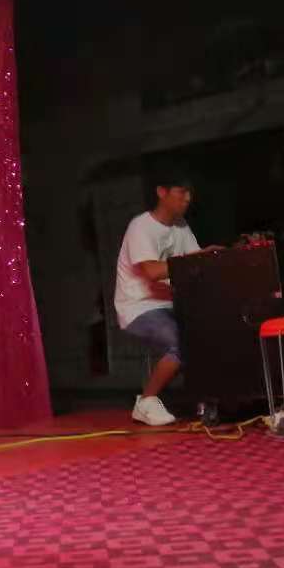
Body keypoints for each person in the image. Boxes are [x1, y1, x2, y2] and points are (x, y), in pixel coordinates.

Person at [114, 169, 220, 426]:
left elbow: (194, 263)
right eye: (181, 192)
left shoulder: (181, 227)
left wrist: (210, 257)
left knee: (214, 330)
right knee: (179, 342)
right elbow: (152, 271)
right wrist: (196, 260)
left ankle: (210, 399)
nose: (188, 198)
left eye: (190, 193)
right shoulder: (141, 226)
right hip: (139, 307)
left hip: (170, 305)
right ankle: (146, 401)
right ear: (162, 192)